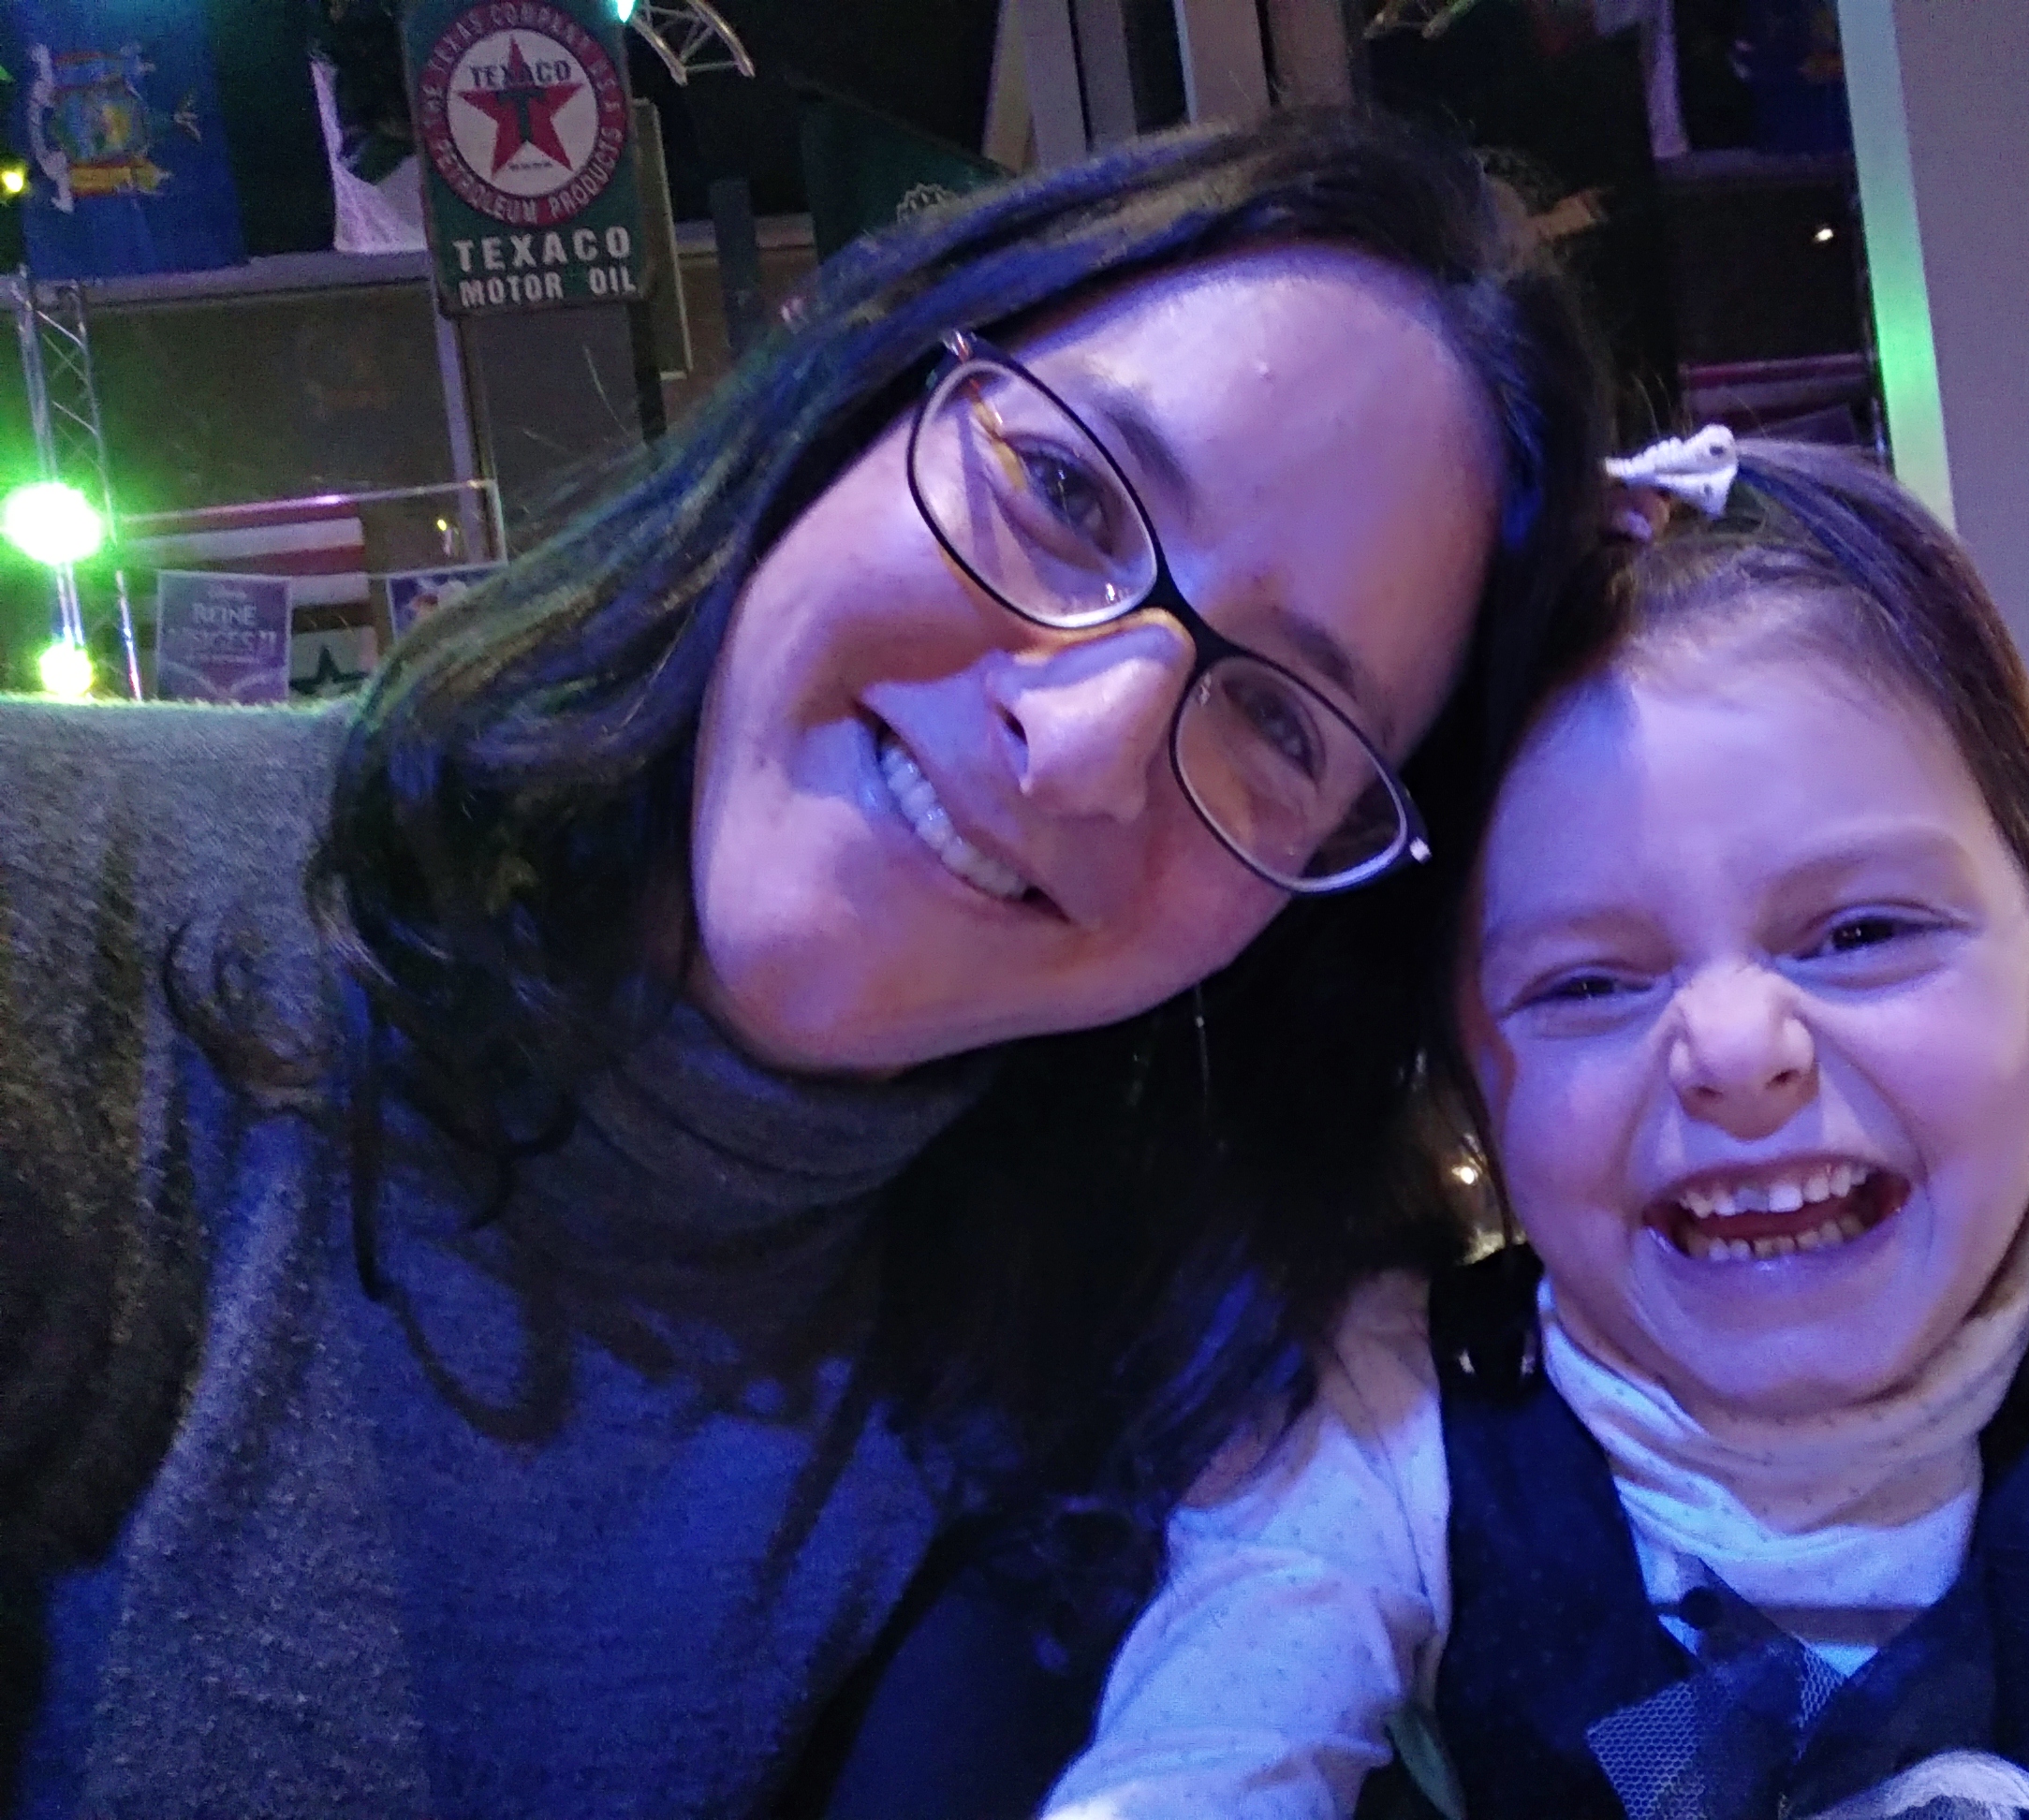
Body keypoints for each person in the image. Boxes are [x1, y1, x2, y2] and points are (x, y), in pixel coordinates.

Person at [0, 110, 1612, 1818]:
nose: (1082, 747)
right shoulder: (65, 925)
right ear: (863, 384)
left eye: (1282, 724)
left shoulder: (1186, 1369)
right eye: (1068, 493)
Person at [1040, 437, 2029, 1820]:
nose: (1736, 1051)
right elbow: (1198, 1766)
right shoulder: (1386, 1444)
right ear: (1468, 1074)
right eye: (1587, 983)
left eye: (1862, 933)